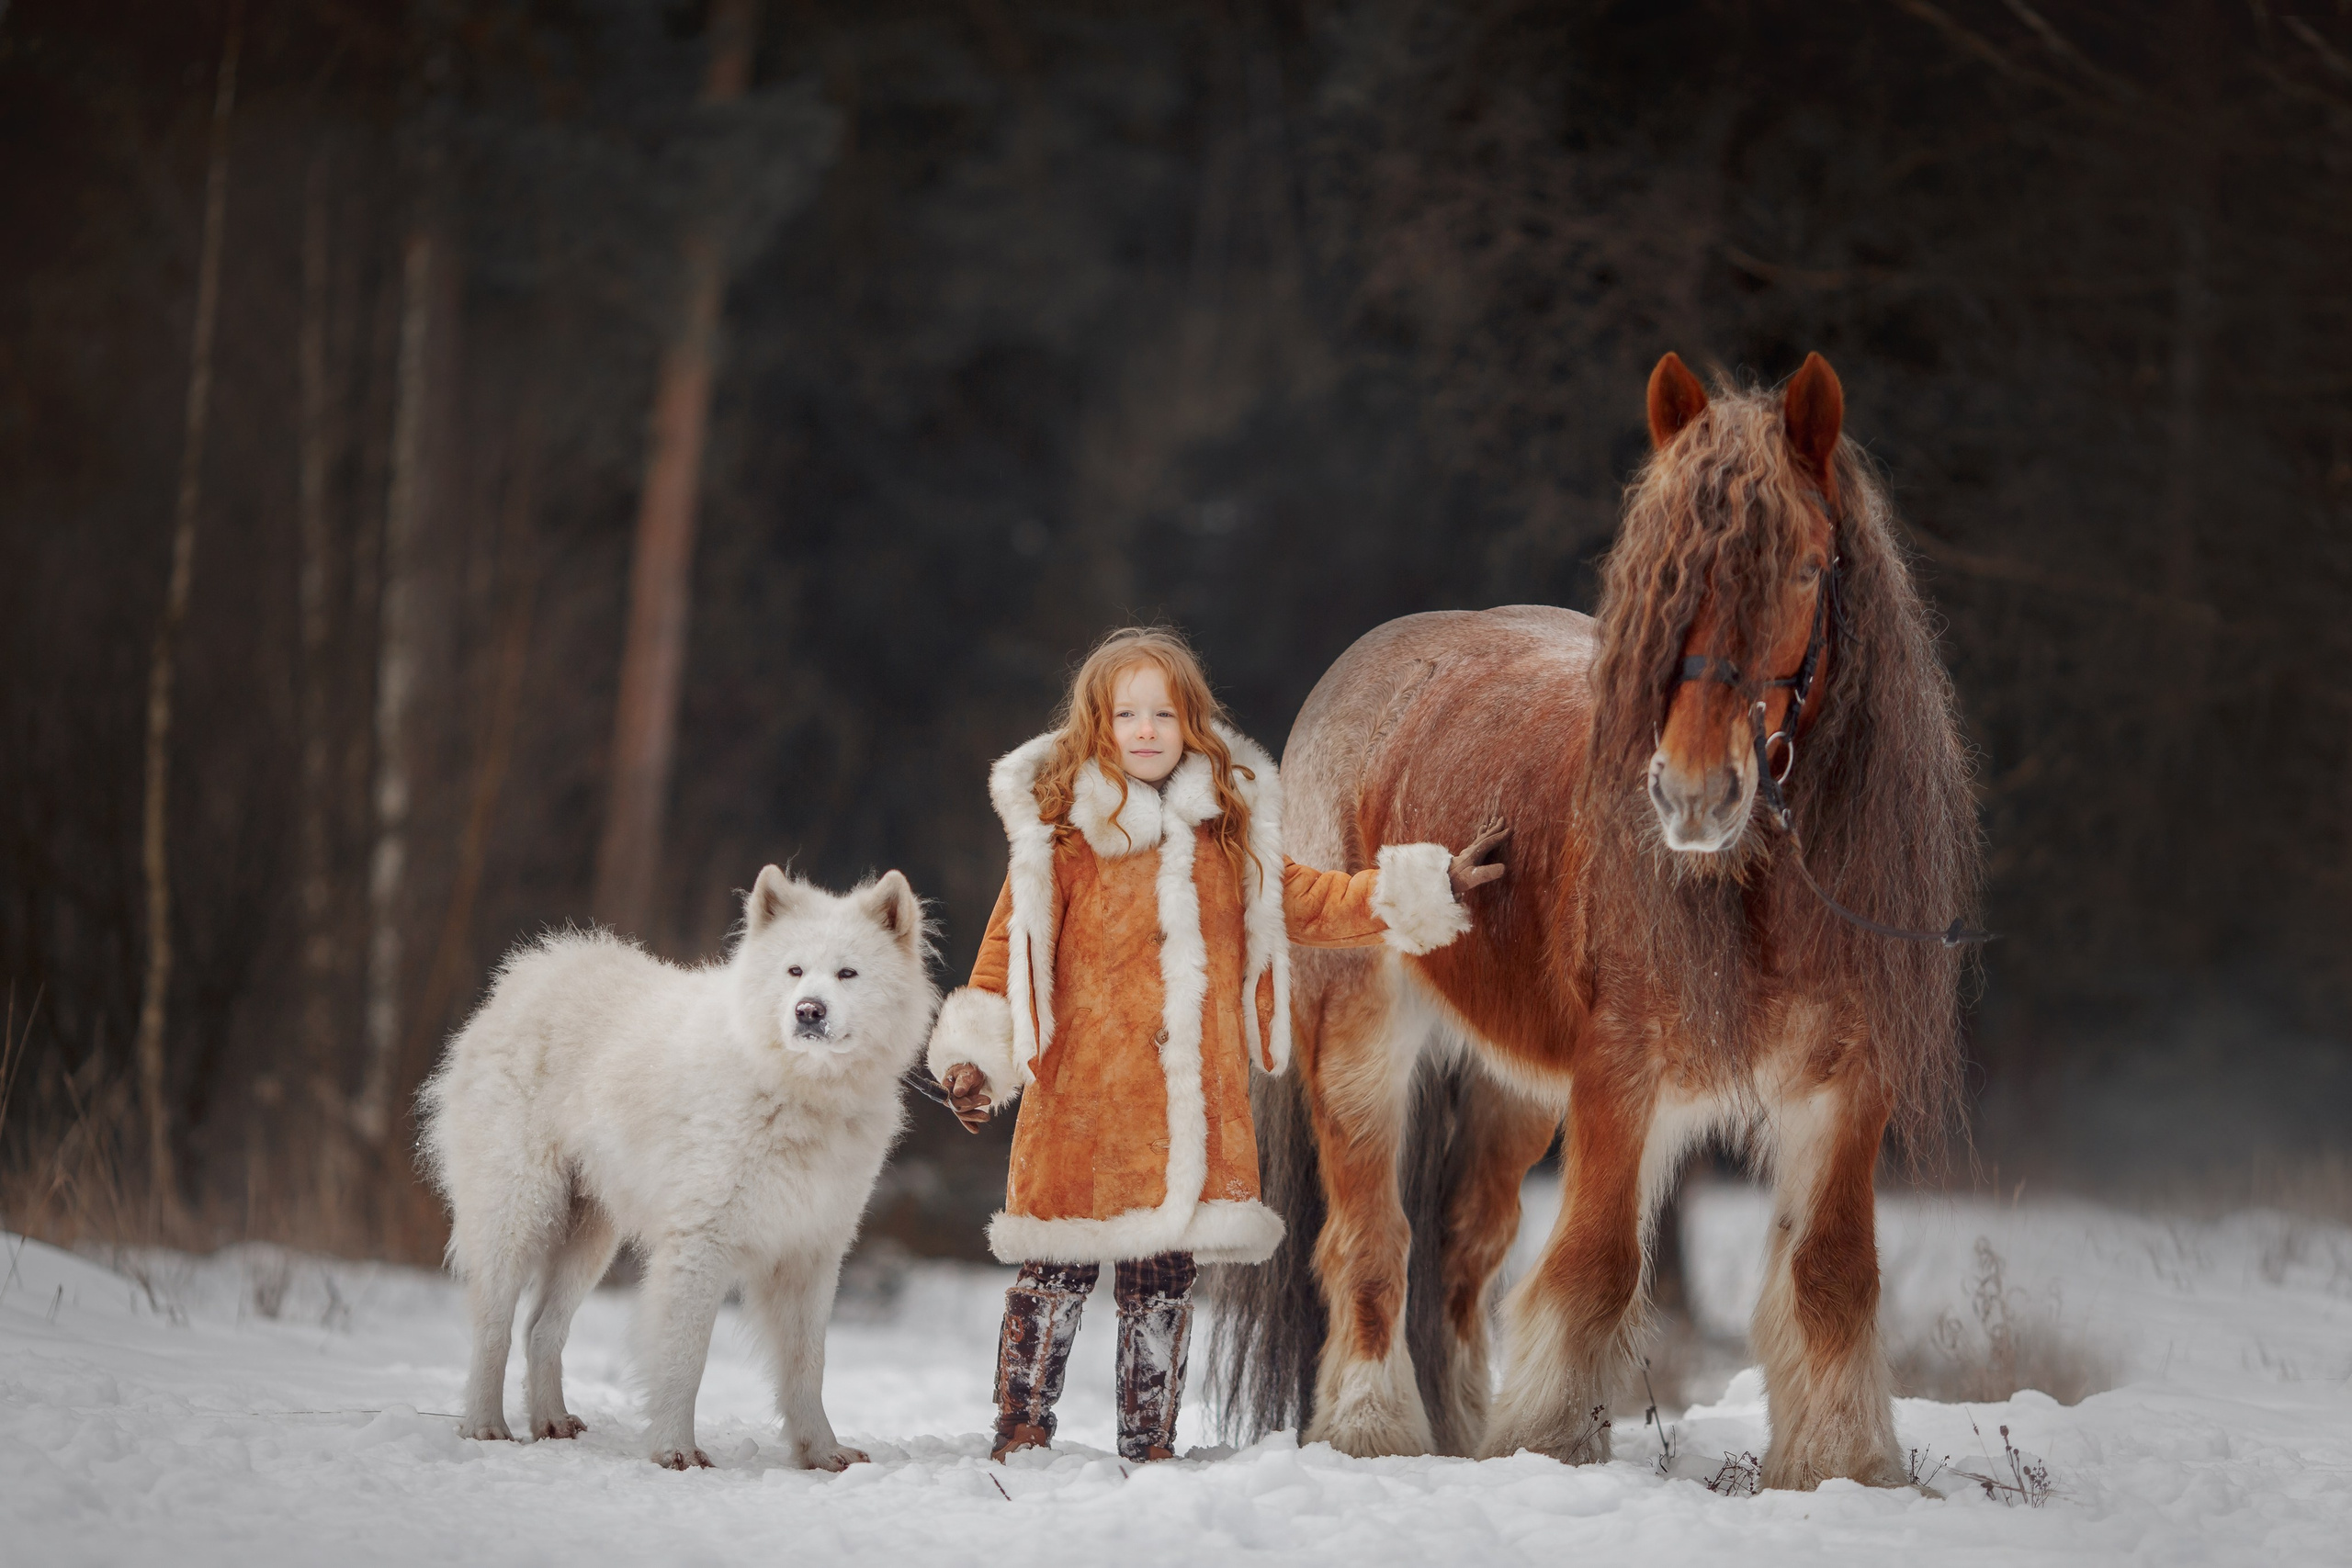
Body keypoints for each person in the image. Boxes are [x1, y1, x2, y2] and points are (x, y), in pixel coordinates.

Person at [924, 626, 1506, 1464]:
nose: (1147, 730)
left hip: (1181, 1112)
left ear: (1193, 723)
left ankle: (1148, 1441)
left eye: (1164, 712)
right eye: (1127, 713)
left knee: (1161, 1280)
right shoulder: (1059, 838)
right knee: (1053, 1269)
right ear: (1098, 724)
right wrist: (974, 1058)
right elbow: (1002, 954)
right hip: (1078, 1107)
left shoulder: (1227, 838)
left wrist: (1430, 883)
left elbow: (1315, 899)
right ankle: (1021, 1430)